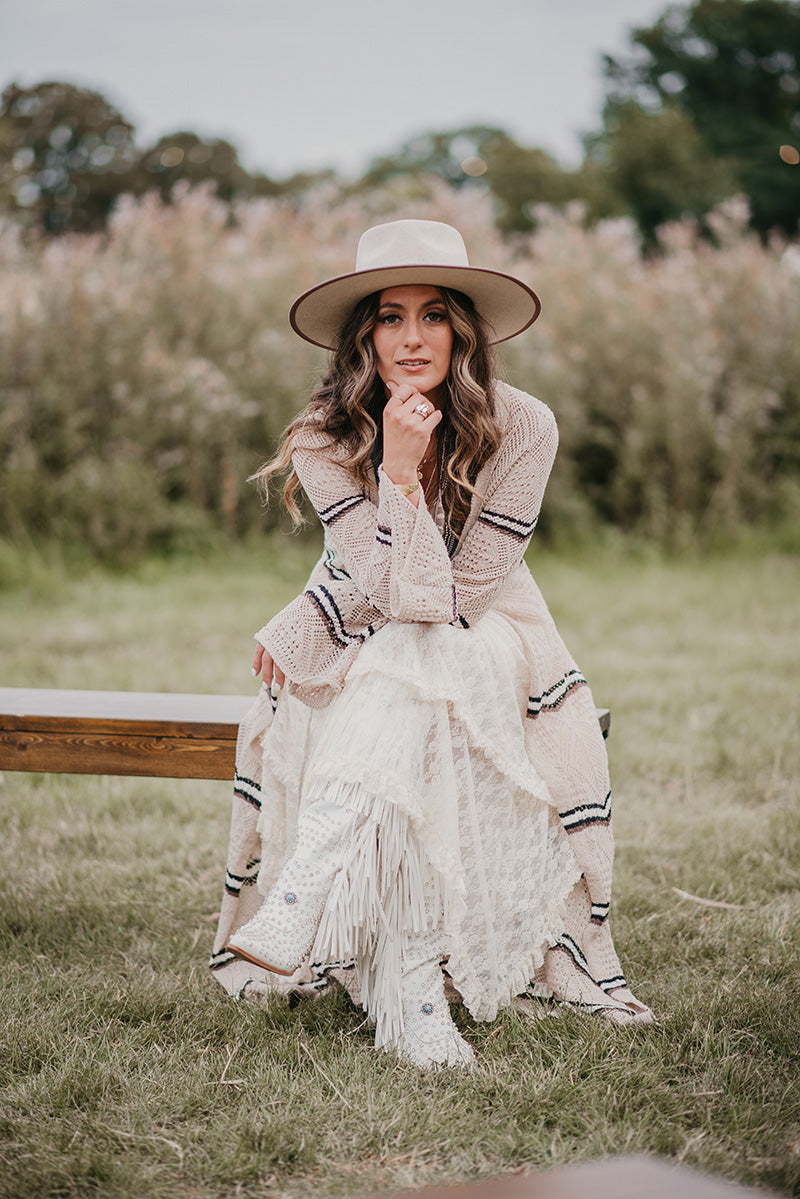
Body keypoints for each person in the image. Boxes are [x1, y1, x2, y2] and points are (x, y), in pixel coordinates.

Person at [210, 219, 652, 1069]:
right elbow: (385, 593)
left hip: (496, 627)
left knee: (416, 655)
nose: (411, 338)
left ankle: (311, 892)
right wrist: (387, 475)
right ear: (362, 336)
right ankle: (412, 991)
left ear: (464, 330)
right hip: (386, 628)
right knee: (400, 668)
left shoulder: (525, 425)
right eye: (389, 316)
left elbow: (455, 600)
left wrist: (404, 477)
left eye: (434, 315)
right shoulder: (322, 435)